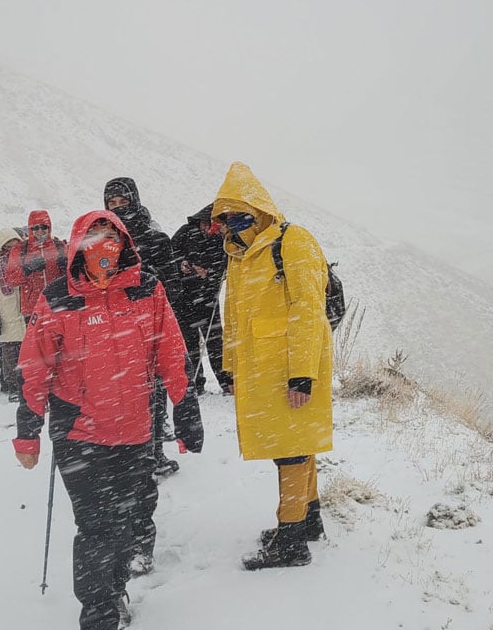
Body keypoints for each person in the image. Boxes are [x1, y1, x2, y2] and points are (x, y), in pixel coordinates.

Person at [13, 210, 202, 630]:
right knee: (95, 525)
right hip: (78, 431)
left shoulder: (146, 289)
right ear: (80, 242)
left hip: (134, 427)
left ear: (124, 242)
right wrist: (28, 431)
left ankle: (114, 589)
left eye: (110, 234)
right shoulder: (60, 296)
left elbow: (171, 352)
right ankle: (98, 612)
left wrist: (185, 406)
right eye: (95, 234)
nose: (103, 243)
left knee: (122, 522)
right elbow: (35, 366)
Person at [212, 162, 333, 571]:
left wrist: (302, 373)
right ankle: (309, 519)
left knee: (291, 451)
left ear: (260, 206)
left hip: (291, 366)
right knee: (297, 442)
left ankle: (291, 540)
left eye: (238, 211)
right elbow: (233, 313)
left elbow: (308, 308)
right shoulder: (239, 254)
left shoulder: (292, 241)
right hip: (262, 369)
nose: (232, 221)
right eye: (225, 214)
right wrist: (229, 365)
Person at [104, 177, 185, 477]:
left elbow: (173, 289)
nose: (118, 208)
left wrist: (145, 281)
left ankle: (153, 455)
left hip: (150, 330)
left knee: (154, 394)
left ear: (134, 200)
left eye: (123, 201)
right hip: (114, 331)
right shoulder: (104, 240)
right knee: (122, 395)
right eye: (112, 204)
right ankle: (126, 457)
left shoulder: (156, 238)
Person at [171, 203, 231, 395]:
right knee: (189, 343)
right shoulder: (186, 232)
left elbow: (226, 266)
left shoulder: (223, 239)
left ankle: (226, 382)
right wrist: (184, 265)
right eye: (207, 224)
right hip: (183, 298)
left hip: (207, 297)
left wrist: (209, 274)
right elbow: (171, 255)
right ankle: (195, 383)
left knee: (215, 342)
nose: (209, 229)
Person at [0, 227, 27, 403]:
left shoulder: (24, 259)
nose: (11, 247)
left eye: (15, 243)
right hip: (6, 316)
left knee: (28, 354)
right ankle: (14, 387)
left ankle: (28, 387)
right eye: (8, 245)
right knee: (10, 355)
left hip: (25, 313)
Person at [4, 210, 67, 320]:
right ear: (30, 229)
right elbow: (10, 279)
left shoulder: (59, 246)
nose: (40, 231)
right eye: (35, 227)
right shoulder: (20, 249)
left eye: (44, 227)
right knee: (35, 337)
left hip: (57, 303)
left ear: (49, 227)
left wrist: (66, 267)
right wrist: (27, 269)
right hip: (32, 308)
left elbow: (72, 274)